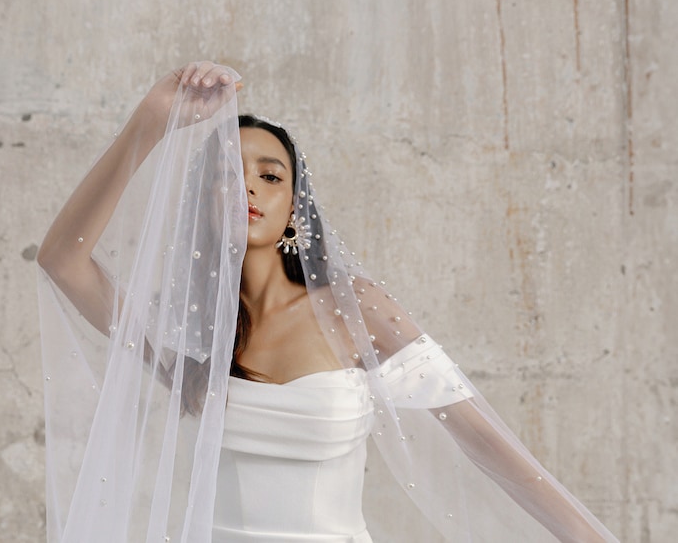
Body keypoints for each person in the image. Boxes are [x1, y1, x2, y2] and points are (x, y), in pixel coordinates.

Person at [37, 62, 618, 542]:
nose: (249, 188)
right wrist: (154, 120)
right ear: (203, 201)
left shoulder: (354, 310)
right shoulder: (192, 334)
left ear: (295, 208)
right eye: (228, 173)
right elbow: (62, 259)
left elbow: (484, 441)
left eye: (271, 176)